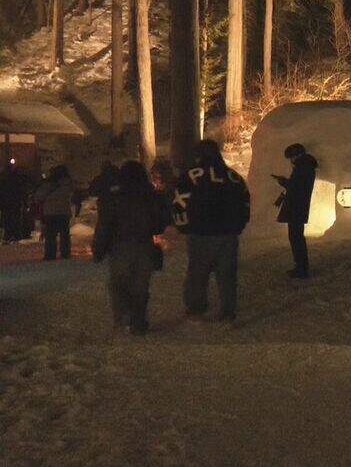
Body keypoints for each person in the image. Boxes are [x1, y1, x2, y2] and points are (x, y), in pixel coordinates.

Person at [173, 140, 250, 325]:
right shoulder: (233, 177)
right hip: (228, 234)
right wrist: (238, 226)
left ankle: (196, 311)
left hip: (200, 233)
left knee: (198, 274)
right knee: (227, 275)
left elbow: (179, 202)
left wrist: (183, 226)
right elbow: (245, 204)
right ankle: (227, 313)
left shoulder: (190, 176)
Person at [92, 161, 171, 335]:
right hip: (145, 245)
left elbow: (105, 224)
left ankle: (123, 319)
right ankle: (138, 320)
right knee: (140, 286)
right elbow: (161, 221)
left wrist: (98, 248)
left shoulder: (114, 197)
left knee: (119, 284)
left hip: (120, 246)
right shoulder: (152, 196)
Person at [273, 143, 317, 279]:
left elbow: (297, 187)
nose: (291, 161)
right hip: (297, 206)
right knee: (296, 237)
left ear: (297, 155)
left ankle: (301, 268)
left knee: (296, 238)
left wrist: (284, 182)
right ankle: (300, 266)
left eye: (291, 157)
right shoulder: (304, 167)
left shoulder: (303, 168)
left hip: (296, 207)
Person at [32, 165, 75, 260]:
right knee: (65, 235)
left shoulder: (48, 184)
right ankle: (65, 253)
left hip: (50, 213)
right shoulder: (68, 184)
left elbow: (38, 197)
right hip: (64, 212)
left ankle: (50, 254)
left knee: (50, 235)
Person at [0, 160, 30, 244]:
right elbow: (22, 191)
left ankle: (9, 235)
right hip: (14, 202)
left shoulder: (4, 179)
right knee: (14, 219)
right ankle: (15, 235)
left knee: (8, 219)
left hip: (7, 203)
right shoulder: (17, 179)